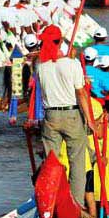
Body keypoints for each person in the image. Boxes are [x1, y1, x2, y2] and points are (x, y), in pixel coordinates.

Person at [36, 25, 94, 203]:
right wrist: (90, 121)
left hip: (50, 116)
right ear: (60, 41)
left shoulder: (40, 66)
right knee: (77, 161)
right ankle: (76, 202)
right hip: (71, 114)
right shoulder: (72, 64)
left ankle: (52, 199)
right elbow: (81, 93)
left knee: (51, 162)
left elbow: (53, 64)